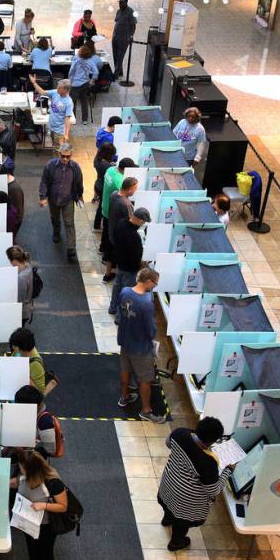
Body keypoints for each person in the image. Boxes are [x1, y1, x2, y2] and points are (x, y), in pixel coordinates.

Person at [157, 418, 233, 551]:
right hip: (185, 502)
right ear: (213, 441)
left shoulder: (180, 433)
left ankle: (167, 519)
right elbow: (213, 490)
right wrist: (228, 471)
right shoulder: (208, 463)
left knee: (169, 507)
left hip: (168, 486)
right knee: (181, 523)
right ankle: (176, 543)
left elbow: (168, 443)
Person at [13, 451, 68, 560]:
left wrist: (42, 505)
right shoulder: (25, 476)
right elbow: (17, 482)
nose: (20, 469)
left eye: (22, 467)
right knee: (30, 543)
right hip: (27, 519)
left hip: (46, 526)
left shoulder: (53, 482)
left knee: (47, 556)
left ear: (32, 470)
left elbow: (63, 506)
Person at [116, 267, 163, 423]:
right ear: (148, 281)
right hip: (140, 348)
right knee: (145, 379)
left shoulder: (125, 291)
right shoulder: (146, 304)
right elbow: (151, 331)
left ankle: (124, 397)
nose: (154, 287)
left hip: (124, 340)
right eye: (155, 284)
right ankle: (146, 410)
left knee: (125, 369)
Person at [38, 143, 84, 262]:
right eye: (63, 156)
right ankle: (56, 233)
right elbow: (44, 181)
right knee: (55, 218)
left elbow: (79, 183)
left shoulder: (75, 168)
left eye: (67, 156)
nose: (65, 159)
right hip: (53, 199)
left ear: (71, 155)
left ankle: (71, 249)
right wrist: (42, 196)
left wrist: (79, 197)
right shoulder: (50, 165)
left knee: (69, 223)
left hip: (68, 200)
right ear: (59, 154)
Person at [110, 207, 150, 316]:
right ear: (141, 220)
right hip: (130, 269)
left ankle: (112, 308)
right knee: (127, 293)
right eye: (144, 222)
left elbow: (114, 239)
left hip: (120, 263)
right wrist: (141, 264)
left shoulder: (121, 223)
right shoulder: (134, 237)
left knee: (117, 286)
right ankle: (120, 316)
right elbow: (136, 257)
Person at [100, 156, 134, 270]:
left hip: (105, 205)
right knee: (109, 236)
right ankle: (106, 257)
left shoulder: (110, 170)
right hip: (112, 210)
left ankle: (101, 249)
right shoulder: (119, 180)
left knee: (105, 230)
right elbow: (124, 193)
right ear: (125, 169)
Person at [13, 387, 64, 458]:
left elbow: (50, 451)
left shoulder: (45, 422)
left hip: (38, 456)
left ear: (34, 406)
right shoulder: (39, 411)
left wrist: (24, 449)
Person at [29, 76, 73, 156]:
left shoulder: (68, 102)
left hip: (59, 131)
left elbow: (67, 119)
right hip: (51, 127)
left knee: (58, 151)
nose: (57, 88)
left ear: (66, 90)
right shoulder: (55, 92)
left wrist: (66, 134)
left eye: (60, 88)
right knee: (54, 148)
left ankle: (57, 165)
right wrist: (34, 82)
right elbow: (42, 92)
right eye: (58, 87)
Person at [9, 327, 56, 393]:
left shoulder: (35, 364)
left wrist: (24, 377)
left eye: (15, 346)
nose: (13, 348)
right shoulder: (21, 350)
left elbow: (40, 392)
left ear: (23, 348)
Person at [68, 43, 99, 125]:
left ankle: (73, 119)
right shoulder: (90, 62)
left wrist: (70, 81)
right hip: (85, 84)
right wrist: (92, 80)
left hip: (75, 85)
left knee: (72, 102)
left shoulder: (76, 61)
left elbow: (71, 72)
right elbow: (96, 72)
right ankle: (84, 120)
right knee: (84, 101)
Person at [0, 163, 24, 238]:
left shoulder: (14, 189)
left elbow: (19, 210)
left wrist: (13, 226)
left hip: (12, 223)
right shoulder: (8, 183)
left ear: (1, 177)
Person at [92, 142, 117, 232]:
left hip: (98, 184)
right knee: (102, 207)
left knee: (101, 205)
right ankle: (97, 226)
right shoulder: (106, 166)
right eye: (112, 154)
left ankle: (97, 225)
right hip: (103, 187)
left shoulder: (97, 159)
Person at [7, 246, 34, 324]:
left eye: (10, 260)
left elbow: (19, 300)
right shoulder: (27, 265)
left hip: (22, 313)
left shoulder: (21, 278)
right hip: (27, 307)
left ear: (15, 260)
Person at [111, 0, 137, 78]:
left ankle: (116, 73)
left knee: (120, 56)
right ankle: (120, 71)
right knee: (115, 54)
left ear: (126, 3)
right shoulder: (118, 11)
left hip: (124, 38)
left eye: (122, 3)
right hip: (115, 36)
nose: (120, 4)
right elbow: (117, 22)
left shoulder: (131, 12)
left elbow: (133, 25)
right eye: (119, 3)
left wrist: (131, 36)